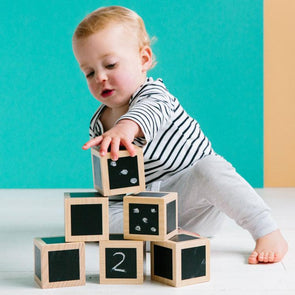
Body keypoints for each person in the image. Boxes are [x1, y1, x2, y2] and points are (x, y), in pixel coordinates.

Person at [72, 5, 288, 264]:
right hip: (146, 206)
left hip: (192, 196)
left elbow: (146, 114)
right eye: (90, 72)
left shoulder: (155, 94)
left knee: (211, 169)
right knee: (93, 217)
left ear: (143, 60)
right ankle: (167, 235)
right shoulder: (99, 124)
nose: (101, 78)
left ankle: (266, 230)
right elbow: (113, 182)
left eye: (110, 64)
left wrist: (125, 128)